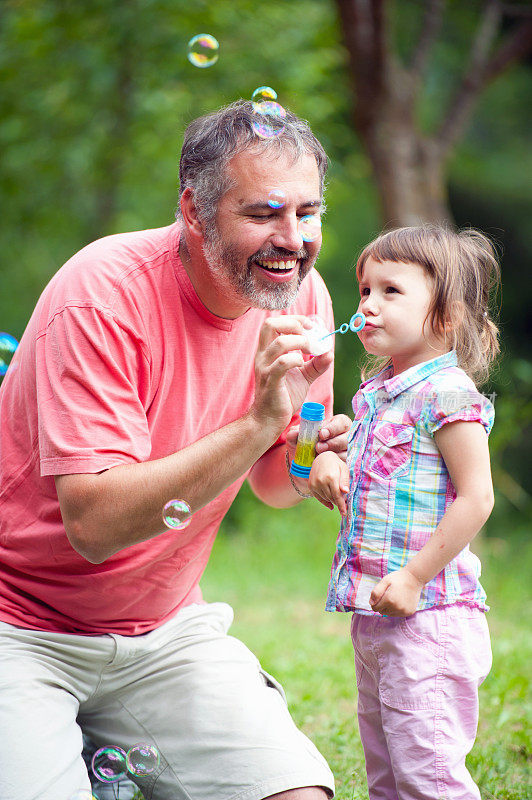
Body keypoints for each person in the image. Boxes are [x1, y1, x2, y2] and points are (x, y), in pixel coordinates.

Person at [0, 101, 350, 800]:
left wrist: (314, 455)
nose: (294, 240)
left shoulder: (301, 298)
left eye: (308, 213)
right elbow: (94, 526)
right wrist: (257, 424)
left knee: (298, 794)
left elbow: (277, 479)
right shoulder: (102, 293)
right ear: (194, 209)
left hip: (163, 632)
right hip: (18, 628)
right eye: (264, 214)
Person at [308, 225, 500, 800]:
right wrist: (324, 458)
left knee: (428, 776)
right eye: (364, 289)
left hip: (428, 617)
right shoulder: (375, 394)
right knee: (387, 773)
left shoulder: (447, 392)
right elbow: (365, 463)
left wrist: (416, 577)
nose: (368, 304)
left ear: (445, 316)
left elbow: (477, 497)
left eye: (391, 291)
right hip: (374, 610)